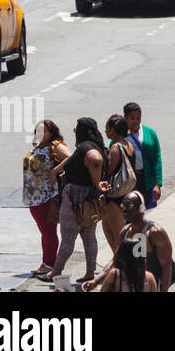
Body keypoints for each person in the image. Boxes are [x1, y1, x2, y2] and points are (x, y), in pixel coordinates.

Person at [48, 117, 110, 284]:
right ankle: (90, 272)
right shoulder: (92, 146)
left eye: (76, 128)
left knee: (68, 237)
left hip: (75, 199)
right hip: (90, 201)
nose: (74, 131)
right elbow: (75, 158)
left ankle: (56, 271)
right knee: (89, 236)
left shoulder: (87, 148)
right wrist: (56, 170)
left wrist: (96, 182)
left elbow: (95, 160)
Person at [84, 191, 175, 293]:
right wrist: (95, 281)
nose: (124, 209)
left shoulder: (155, 233)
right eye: (123, 205)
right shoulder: (125, 232)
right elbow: (115, 260)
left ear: (141, 208)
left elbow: (167, 267)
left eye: (128, 205)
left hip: (149, 285)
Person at [23, 119, 70, 281]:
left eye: (44, 131)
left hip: (47, 197)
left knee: (48, 232)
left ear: (52, 133)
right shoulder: (39, 147)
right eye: (38, 131)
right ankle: (46, 262)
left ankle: (49, 264)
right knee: (45, 232)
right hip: (34, 197)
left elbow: (71, 158)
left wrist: (54, 172)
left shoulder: (55, 146)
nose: (40, 134)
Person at [100, 114, 138, 253]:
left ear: (113, 130)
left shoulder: (116, 148)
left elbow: (108, 171)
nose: (105, 130)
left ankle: (122, 266)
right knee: (111, 230)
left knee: (117, 235)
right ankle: (118, 262)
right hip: (127, 193)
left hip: (115, 197)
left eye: (107, 128)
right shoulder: (128, 145)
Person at [121, 103, 162, 210]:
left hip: (146, 178)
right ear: (125, 117)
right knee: (129, 211)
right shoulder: (120, 135)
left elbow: (157, 158)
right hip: (128, 180)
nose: (136, 121)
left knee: (147, 211)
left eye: (138, 118)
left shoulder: (150, 133)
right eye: (132, 118)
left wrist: (158, 184)